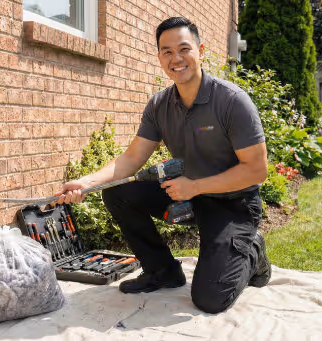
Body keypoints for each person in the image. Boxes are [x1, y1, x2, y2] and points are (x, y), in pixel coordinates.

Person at [54, 17, 271, 314]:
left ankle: (252, 250)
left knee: (210, 299)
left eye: (184, 49)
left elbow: (256, 170)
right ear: (159, 57)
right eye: (166, 52)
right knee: (118, 194)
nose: (176, 58)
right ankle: (162, 271)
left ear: (201, 50)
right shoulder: (159, 105)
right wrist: (86, 182)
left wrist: (194, 186)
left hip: (234, 203)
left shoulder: (232, 101)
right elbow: (130, 159)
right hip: (191, 196)